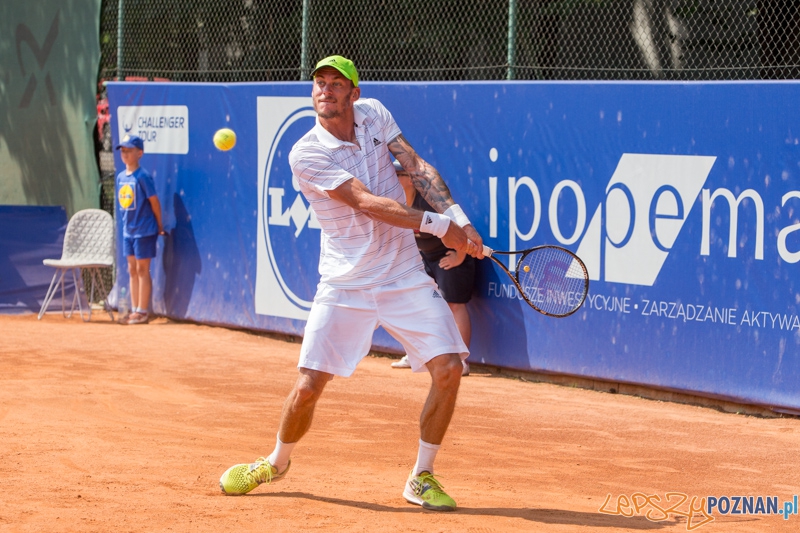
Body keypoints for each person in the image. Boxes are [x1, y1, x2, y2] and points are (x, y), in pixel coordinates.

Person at [219, 55, 484, 512]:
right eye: (318, 83)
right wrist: (444, 228)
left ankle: (421, 476)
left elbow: (416, 167)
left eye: (336, 84)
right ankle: (276, 461)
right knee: (307, 386)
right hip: (346, 283)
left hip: (403, 275)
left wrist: (462, 221)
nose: (325, 90)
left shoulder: (375, 114)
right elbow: (366, 203)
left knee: (450, 369)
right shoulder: (306, 153)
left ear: (354, 94)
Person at [390, 161, 475, 376]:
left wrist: (459, 255)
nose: (393, 179)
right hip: (424, 257)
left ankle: (462, 361)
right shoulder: (394, 202)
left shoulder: (428, 203)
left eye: (398, 175)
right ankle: (416, 354)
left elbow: (458, 228)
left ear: (410, 179)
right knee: (416, 303)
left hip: (447, 255)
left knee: (454, 304)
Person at [115, 134, 165, 325]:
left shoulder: (143, 176)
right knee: (131, 269)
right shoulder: (120, 177)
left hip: (144, 230)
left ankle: (142, 311)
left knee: (142, 269)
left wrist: (159, 226)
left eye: (129, 151)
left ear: (140, 153)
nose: (125, 154)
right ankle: (134, 309)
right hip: (128, 232)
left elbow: (154, 202)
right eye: (123, 151)